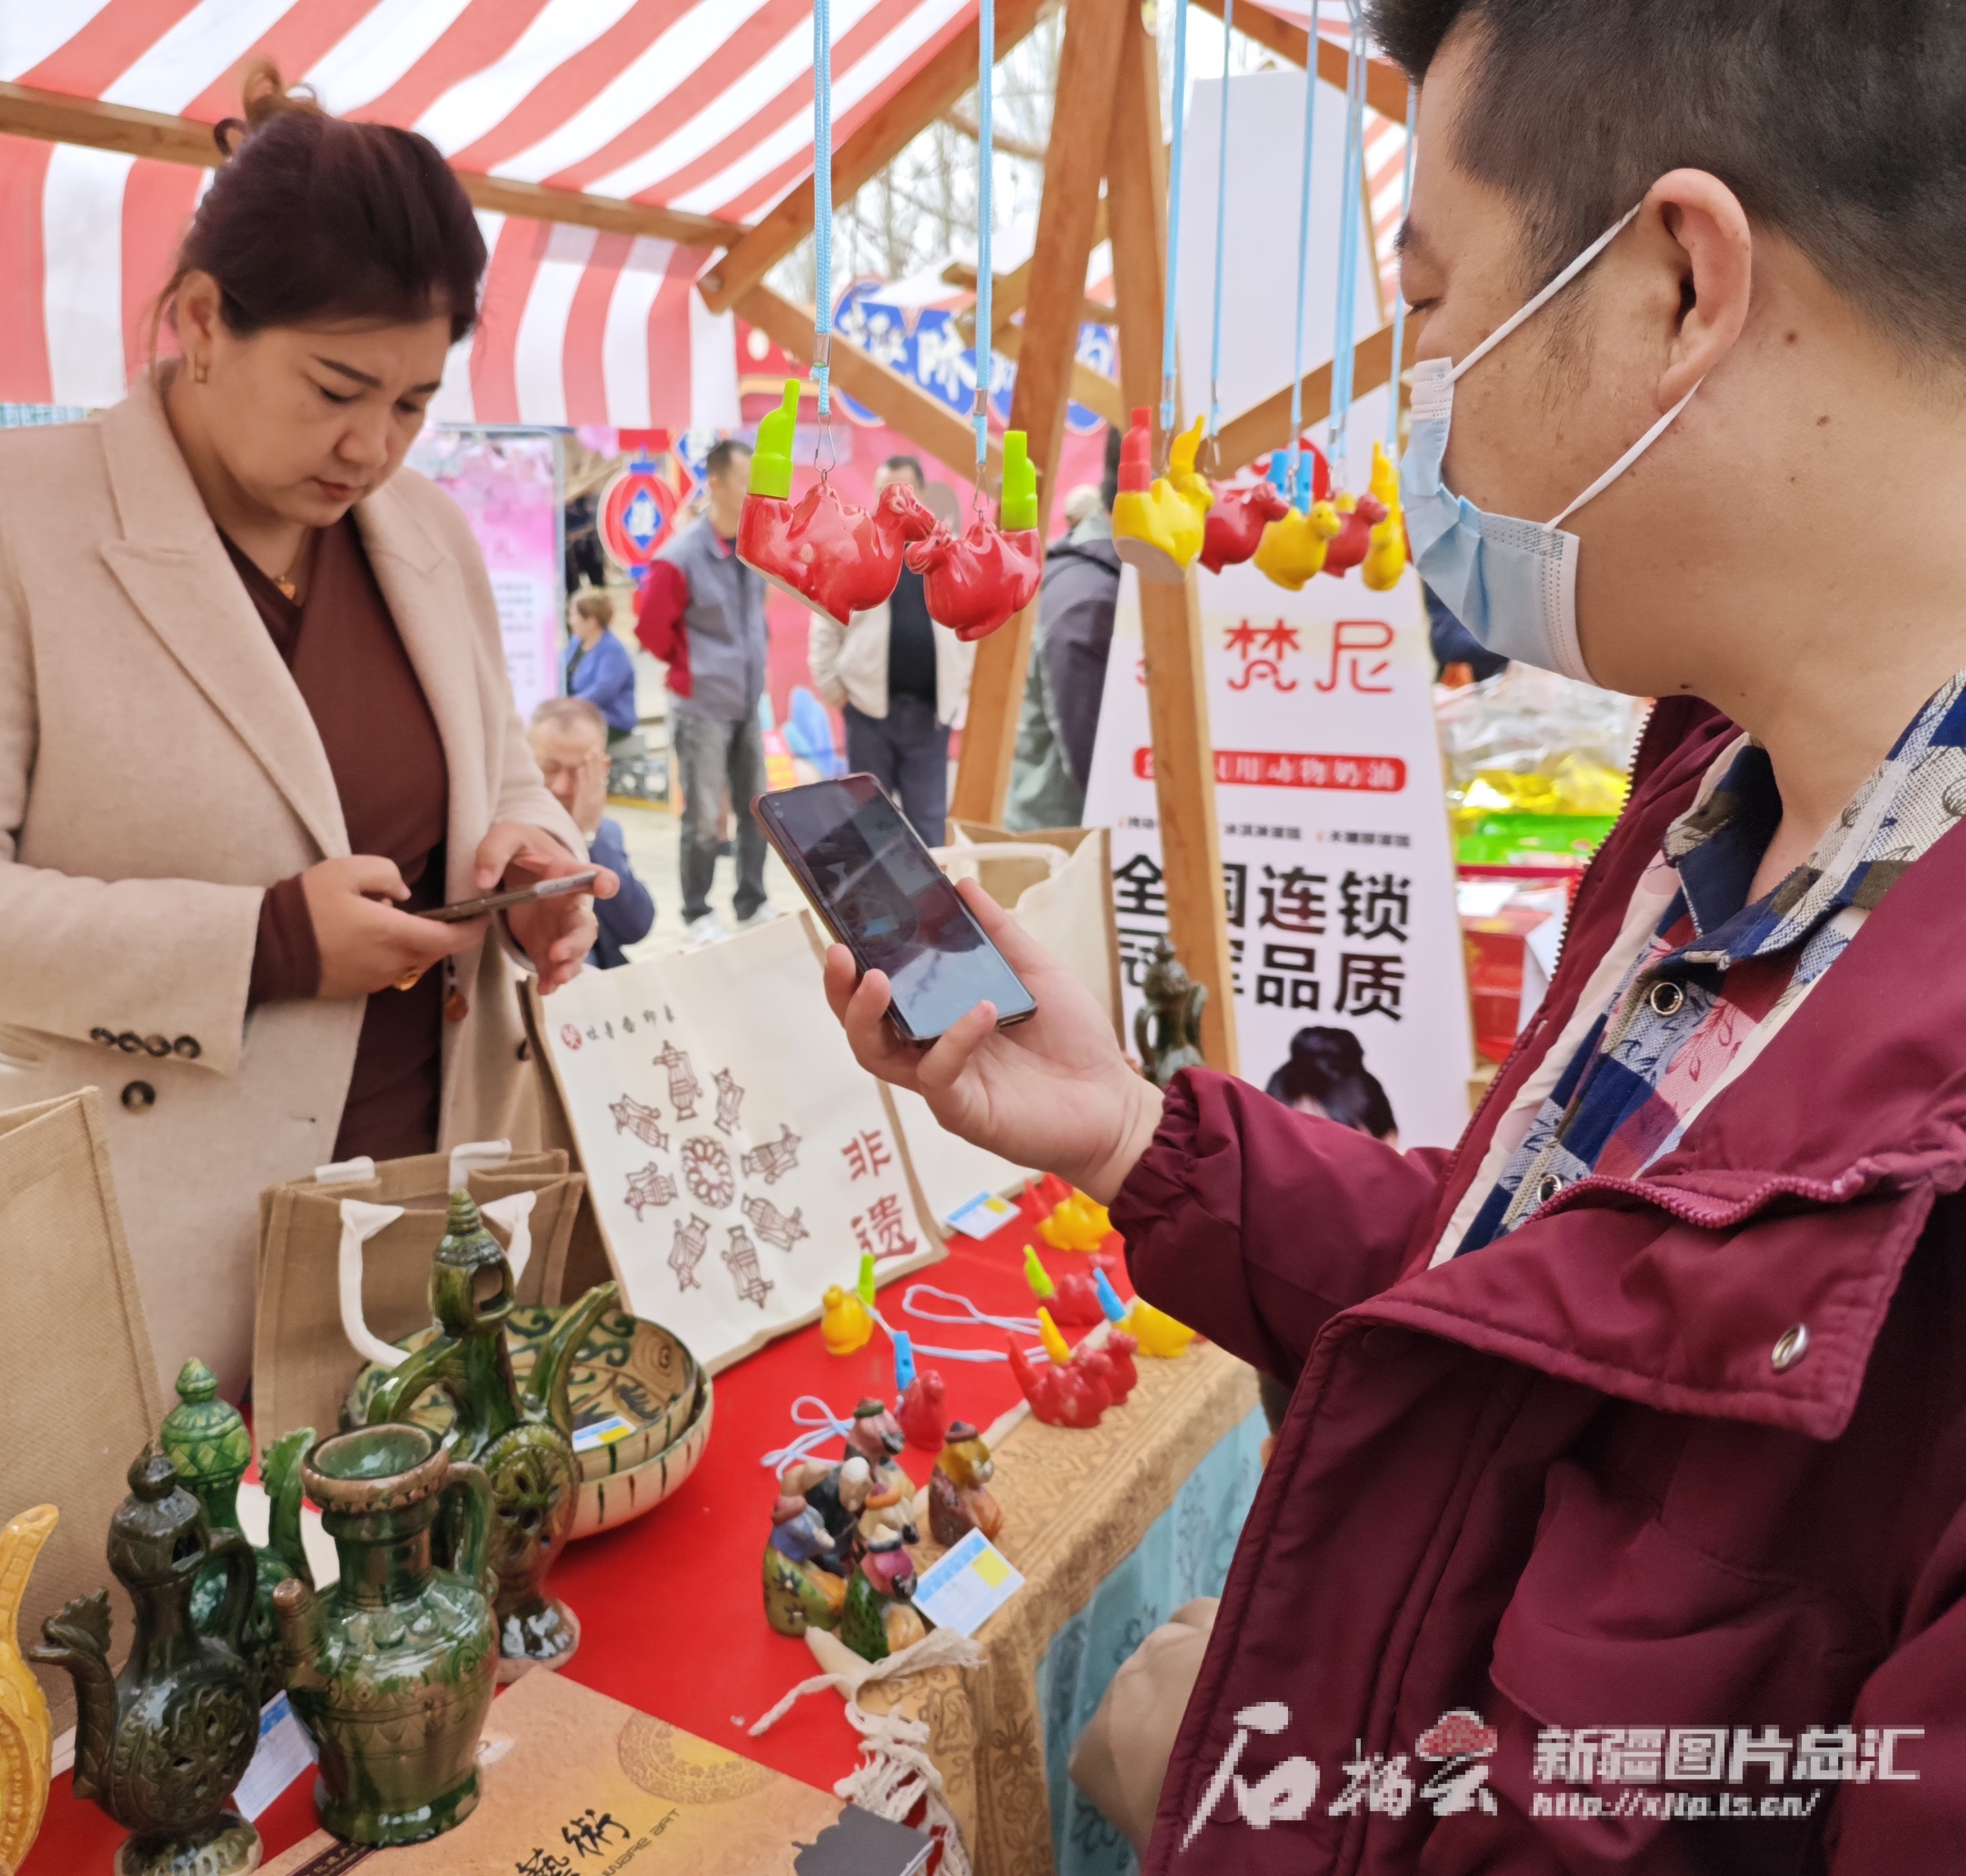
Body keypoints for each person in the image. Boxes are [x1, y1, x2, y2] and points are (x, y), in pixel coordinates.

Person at [824, 1, 1966, 1863]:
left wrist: (1241, 1808)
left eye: (1427, 307)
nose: (1410, 390)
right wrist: (1126, 1129)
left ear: (1678, 286)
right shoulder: (1712, 803)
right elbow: (1530, 1299)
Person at [0, 64, 611, 1399]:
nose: (372, 445)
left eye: (413, 404)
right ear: (199, 320)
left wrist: (530, 860)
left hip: (426, 1201)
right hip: (134, 1231)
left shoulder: (426, 534)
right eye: (335, 387)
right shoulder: (12, 514)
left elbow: (498, 777)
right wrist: (263, 943)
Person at [632, 435, 770, 946]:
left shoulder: (755, 547)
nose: (753, 489)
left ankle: (753, 901)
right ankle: (696, 913)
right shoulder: (679, 558)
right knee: (704, 816)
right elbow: (650, 631)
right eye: (743, 480)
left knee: (759, 808)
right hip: (703, 707)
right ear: (715, 483)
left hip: (749, 702)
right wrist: (694, 668)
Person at [808, 454, 974, 847]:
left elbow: (972, 628)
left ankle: (931, 907)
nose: (896, 502)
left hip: (930, 715)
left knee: (929, 828)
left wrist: (958, 694)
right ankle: (874, 906)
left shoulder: (949, 555)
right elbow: (823, 625)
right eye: (886, 492)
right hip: (867, 713)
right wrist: (839, 693)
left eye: (905, 491)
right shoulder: (853, 552)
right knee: (870, 825)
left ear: (923, 495)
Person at [1003, 443, 1121, 831]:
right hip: (1062, 833)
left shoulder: (1089, 573)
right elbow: (1089, 755)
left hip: (1048, 819)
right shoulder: (1090, 598)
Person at [529, 696, 653, 969]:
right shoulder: (508, 831)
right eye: (549, 769)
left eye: (576, 772)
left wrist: (587, 836)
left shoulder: (606, 832)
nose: (561, 787)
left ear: (602, 770)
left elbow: (636, 927)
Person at [560, 586, 637, 737]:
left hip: (610, 720)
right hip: (579, 715)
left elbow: (603, 691)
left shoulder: (613, 651)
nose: (570, 622)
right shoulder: (576, 643)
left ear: (591, 621)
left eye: (574, 616)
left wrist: (568, 706)